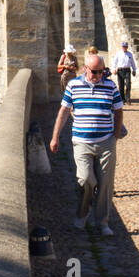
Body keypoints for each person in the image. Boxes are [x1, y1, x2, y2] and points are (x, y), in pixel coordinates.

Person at [50, 51, 124, 236]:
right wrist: (55, 136)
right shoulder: (73, 85)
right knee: (86, 180)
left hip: (106, 141)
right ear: (85, 69)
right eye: (94, 71)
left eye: (101, 72)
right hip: (82, 141)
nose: (98, 75)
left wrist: (114, 135)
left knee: (106, 184)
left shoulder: (110, 86)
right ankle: (83, 214)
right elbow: (64, 111)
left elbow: (118, 111)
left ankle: (102, 223)